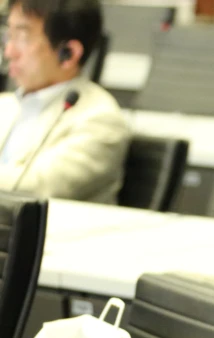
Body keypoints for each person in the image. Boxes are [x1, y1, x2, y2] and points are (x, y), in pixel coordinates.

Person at [0, 0, 129, 203]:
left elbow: (34, 188)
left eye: (23, 37)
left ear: (68, 53)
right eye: (9, 35)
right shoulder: (5, 105)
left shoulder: (99, 120)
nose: (9, 52)